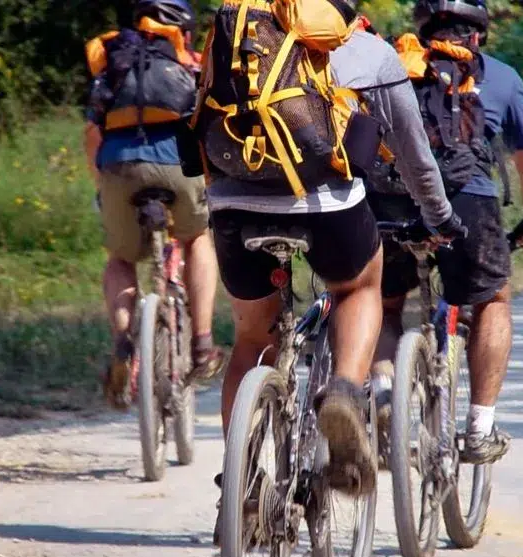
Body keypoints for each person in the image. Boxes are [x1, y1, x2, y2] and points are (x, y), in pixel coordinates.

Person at [201, 1, 465, 503]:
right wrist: (439, 216)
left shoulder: (235, 37)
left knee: (253, 339)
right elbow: (412, 152)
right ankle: (343, 390)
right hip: (327, 205)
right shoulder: (367, 49)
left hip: (234, 203)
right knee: (359, 287)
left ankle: (242, 485)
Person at [372, 0, 523, 466]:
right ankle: (479, 427)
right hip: (466, 200)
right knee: (493, 299)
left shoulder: (391, 63)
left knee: (383, 304)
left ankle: (383, 397)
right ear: (479, 33)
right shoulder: (501, 77)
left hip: (391, 198)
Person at [85, 0, 223, 410]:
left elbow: (92, 132)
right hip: (179, 165)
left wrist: (102, 184)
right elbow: (210, 129)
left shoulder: (115, 62)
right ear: (184, 29)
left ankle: (123, 341)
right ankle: (202, 343)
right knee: (197, 239)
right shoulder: (191, 63)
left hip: (118, 165)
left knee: (121, 258)